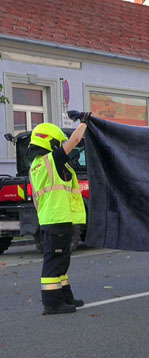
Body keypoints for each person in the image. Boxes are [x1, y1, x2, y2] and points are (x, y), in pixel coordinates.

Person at [29, 115, 89, 314]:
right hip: (57, 218)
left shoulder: (36, 165)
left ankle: (65, 296)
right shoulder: (52, 159)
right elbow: (75, 140)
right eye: (58, 143)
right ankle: (52, 303)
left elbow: (37, 198)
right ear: (50, 141)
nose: (60, 146)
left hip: (52, 218)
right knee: (55, 260)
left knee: (61, 258)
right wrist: (84, 122)